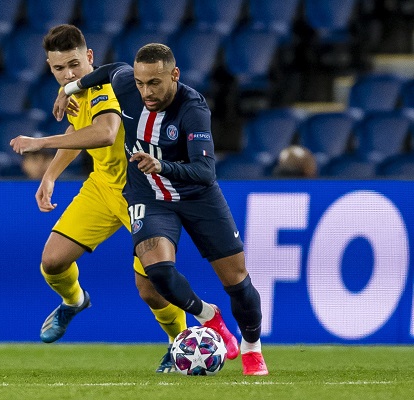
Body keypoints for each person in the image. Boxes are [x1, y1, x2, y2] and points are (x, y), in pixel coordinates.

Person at [47, 43, 268, 376]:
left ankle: (253, 346)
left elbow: (205, 171)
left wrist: (162, 166)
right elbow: (110, 70)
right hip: (148, 195)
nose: (146, 91)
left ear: (174, 75)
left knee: (237, 281)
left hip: (197, 196)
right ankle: (208, 316)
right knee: (158, 272)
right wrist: (70, 88)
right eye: (140, 83)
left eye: (154, 83)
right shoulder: (126, 83)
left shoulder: (192, 109)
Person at [10, 25, 197, 373]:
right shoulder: (76, 92)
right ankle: (74, 301)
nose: (67, 74)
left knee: (151, 288)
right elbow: (77, 131)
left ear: (90, 58)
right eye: (58, 68)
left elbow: (104, 132)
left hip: (145, 191)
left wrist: (40, 143)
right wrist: (50, 175)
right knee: (52, 261)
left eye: (74, 64)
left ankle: (179, 343)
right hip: (103, 187)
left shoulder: (108, 87)